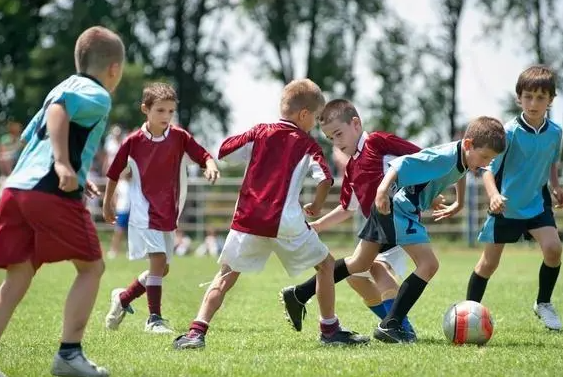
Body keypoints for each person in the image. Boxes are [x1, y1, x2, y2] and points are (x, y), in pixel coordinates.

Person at [172, 79, 370, 350]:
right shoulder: (308, 145)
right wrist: (315, 205)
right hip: (286, 224)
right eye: (314, 118)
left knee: (226, 274)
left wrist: (254, 136)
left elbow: (225, 151)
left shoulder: (260, 132)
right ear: (303, 115)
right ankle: (329, 329)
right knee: (326, 265)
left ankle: (196, 331)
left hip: (248, 222)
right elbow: (325, 178)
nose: (315, 124)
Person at [0, 26, 125, 377]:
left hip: (16, 189)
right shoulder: (97, 95)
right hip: (49, 191)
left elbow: (31, 137)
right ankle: (69, 356)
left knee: (19, 274)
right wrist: (62, 163)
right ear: (114, 69)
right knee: (92, 267)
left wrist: (73, 168)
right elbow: (59, 112)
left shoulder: (61, 85)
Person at [280, 99, 423, 338]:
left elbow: (422, 158)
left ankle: (398, 327)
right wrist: (317, 226)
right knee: (356, 277)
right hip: (377, 228)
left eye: (339, 134)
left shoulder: (377, 142)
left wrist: (429, 191)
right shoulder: (353, 167)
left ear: (356, 124)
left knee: (377, 268)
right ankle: (393, 324)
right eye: (331, 138)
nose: (337, 142)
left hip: (399, 220)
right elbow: (347, 208)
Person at [373, 116, 506, 343]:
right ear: (468, 145)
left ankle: (304, 292)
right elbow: (402, 163)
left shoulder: (464, 157)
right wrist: (382, 190)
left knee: (357, 264)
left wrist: (460, 202)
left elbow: (461, 173)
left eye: (490, 160)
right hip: (401, 208)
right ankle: (390, 323)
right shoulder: (445, 156)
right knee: (428, 264)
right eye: (484, 157)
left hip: (407, 211)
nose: (485, 163)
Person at [103, 82, 219, 334]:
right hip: (143, 212)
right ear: (145, 109)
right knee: (157, 261)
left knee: (162, 268)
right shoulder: (133, 141)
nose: (166, 117)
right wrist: (107, 205)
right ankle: (154, 319)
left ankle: (123, 298)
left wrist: (210, 166)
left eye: (170, 111)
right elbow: (112, 174)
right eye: (160, 111)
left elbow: (204, 156)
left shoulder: (180, 137)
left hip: (168, 213)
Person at [466, 65, 563, 331]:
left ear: (551, 100)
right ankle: (468, 312)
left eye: (540, 97)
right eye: (528, 96)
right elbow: (487, 169)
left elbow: (551, 162)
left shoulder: (556, 133)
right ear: (518, 97)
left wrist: (556, 186)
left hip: (536, 205)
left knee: (554, 250)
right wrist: (494, 195)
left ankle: (543, 303)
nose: (533, 103)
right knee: (488, 264)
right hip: (505, 207)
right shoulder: (508, 133)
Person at [107, 169, 131, 259]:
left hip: (131, 210)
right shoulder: (120, 184)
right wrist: (115, 206)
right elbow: (114, 196)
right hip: (122, 210)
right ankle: (114, 250)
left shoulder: (133, 183)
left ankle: (130, 250)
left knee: (130, 232)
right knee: (118, 231)